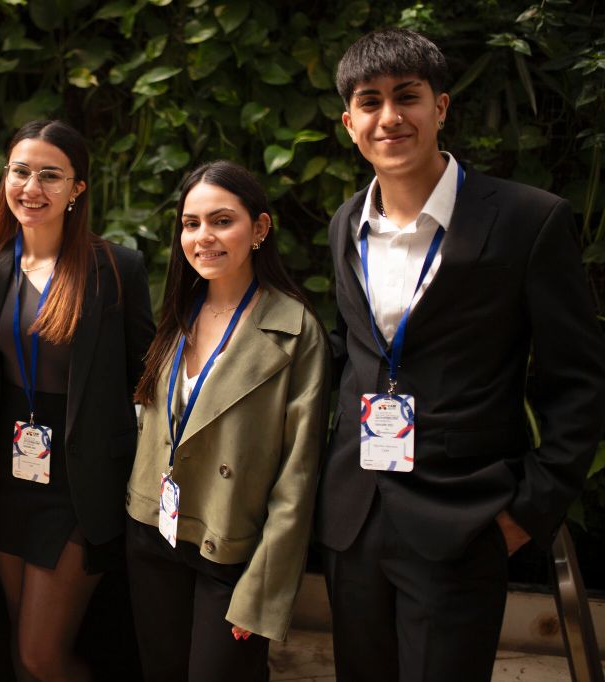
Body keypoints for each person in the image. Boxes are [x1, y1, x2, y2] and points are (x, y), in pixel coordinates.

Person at [316, 28, 605, 681]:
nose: (390, 117)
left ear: (440, 107)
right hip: (354, 517)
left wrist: (525, 513)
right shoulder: (345, 224)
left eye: (407, 97)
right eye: (370, 102)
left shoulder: (529, 220)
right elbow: (352, 350)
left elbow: (579, 382)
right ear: (350, 124)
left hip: (463, 520)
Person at [126, 160, 330, 682]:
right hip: (153, 533)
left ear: (259, 228)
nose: (203, 237)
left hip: (232, 548)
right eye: (191, 224)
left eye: (222, 221)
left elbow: (298, 476)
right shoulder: (178, 311)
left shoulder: (295, 330)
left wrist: (263, 592)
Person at [0, 119, 154, 681]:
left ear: (77, 187)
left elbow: (146, 375)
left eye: (50, 175)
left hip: (79, 481)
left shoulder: (116, 268)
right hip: (7, 472)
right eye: (21, 172)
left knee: (40, 654)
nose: (32, 188)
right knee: (18, 649)